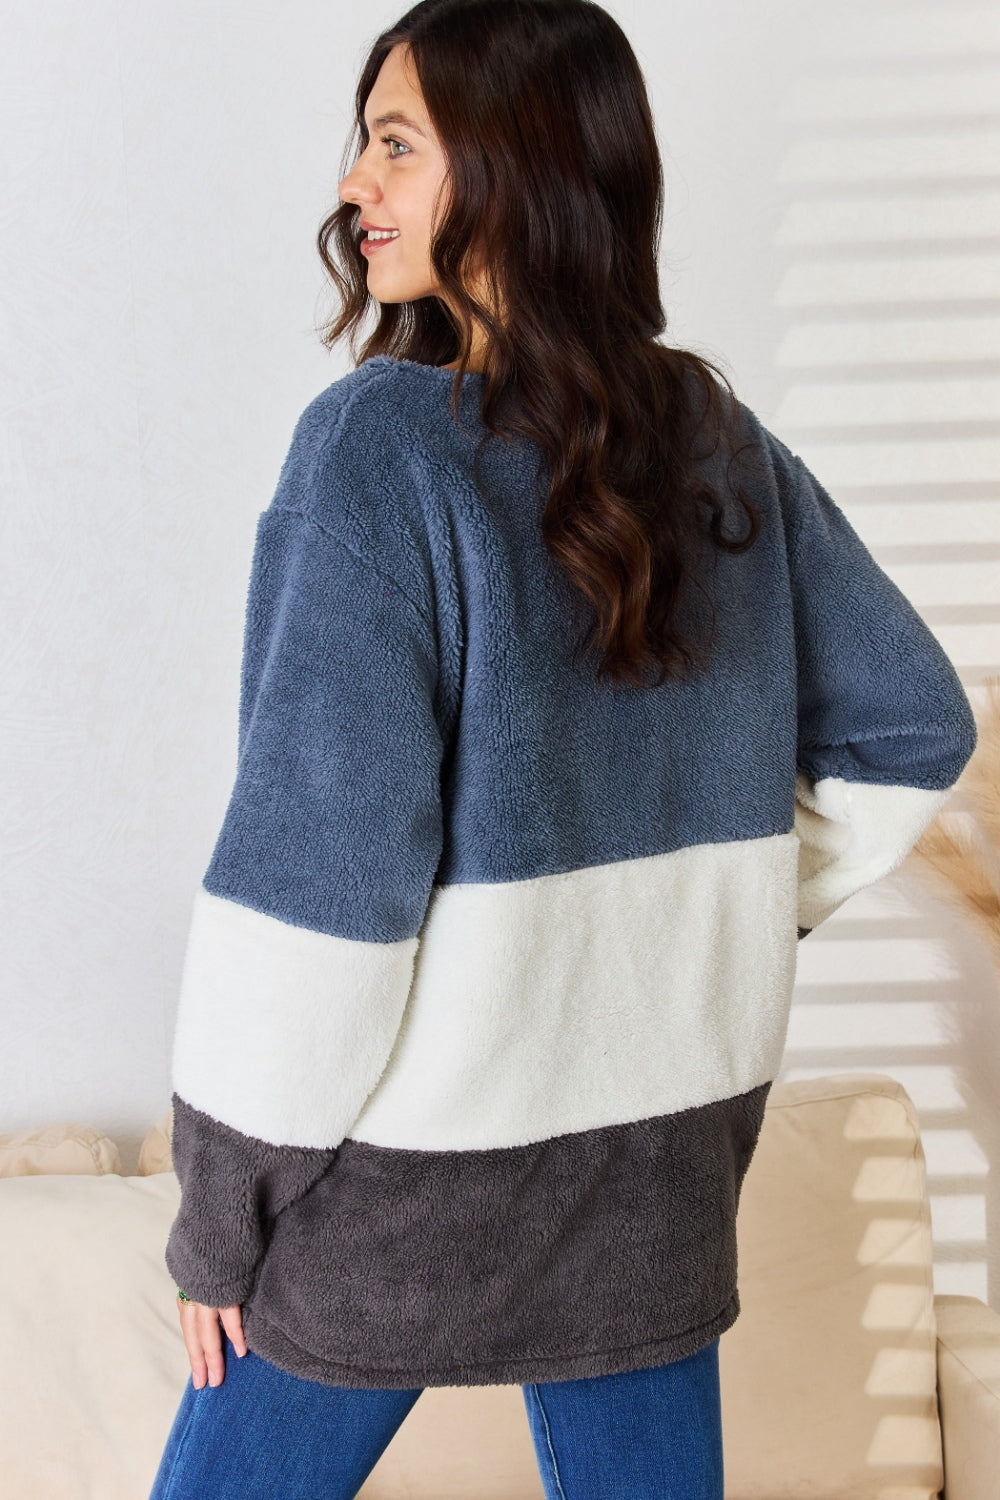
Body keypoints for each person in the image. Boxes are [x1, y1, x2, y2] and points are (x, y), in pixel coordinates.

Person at [148, 2, 978, 1497]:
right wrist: (701, 913)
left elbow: (319, 890)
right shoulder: (712, 436)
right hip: (651, 1178)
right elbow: (912, 731)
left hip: (404, 1197)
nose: (353, 185)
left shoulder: (375, 455)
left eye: (397, 143)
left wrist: (221, 1216)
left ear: (519, 168)